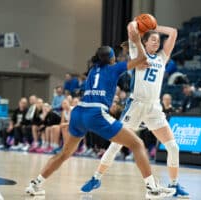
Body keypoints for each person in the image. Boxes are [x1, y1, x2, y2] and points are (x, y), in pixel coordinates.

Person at [25, 26, 175, 199]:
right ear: (112, 59)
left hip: (78, 112)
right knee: (137, 144)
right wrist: (136, 41)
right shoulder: (114, 68)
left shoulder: (92, 70)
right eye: (115, 56)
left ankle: (35, 184)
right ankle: (152, 188)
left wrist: (132, 45)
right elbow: (142, 58)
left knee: (64, 154)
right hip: (95, 114)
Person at [81, 20, 189, 198]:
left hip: (154, 106)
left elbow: (173, 32)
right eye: (152, 39)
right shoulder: (137, 53)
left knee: (173, 147)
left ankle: (174, 185)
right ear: (145, 42)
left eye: (157, 40)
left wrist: (154, 27)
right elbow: (131, 27)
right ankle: (96, 178)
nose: (156, 42)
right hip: (136, 105)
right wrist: (141, 24)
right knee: (116, 145)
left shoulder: (162, 57)